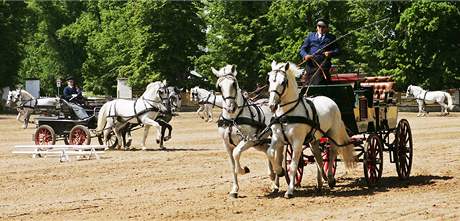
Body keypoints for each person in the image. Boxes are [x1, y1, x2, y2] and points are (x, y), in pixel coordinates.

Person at [299, 18, 340, 85]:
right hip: (311, 65)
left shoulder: (331, 38)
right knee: (308, 82)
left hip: (323, 65)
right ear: (316, 27)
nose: (321, 28)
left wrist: (330, 53)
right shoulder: (310, 36)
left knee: (320, 80)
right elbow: (302, 49)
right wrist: (305, 55)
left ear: (327, 28)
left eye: (323, 27)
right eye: (319, 26)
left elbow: (338, 50)